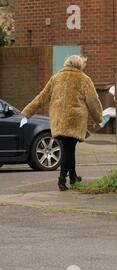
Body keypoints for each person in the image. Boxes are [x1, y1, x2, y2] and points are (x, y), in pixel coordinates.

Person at [21, 55, 103, 191]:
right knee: (68, 149)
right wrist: (99, 118)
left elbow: (42, 97)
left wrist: (27, 112)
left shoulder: (56, 78)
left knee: (68, 148)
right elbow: (93, 101)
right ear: (79, 65)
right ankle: (61, 180)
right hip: (74, 120)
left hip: (59, 120)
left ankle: (73, 178)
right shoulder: (84, 79)